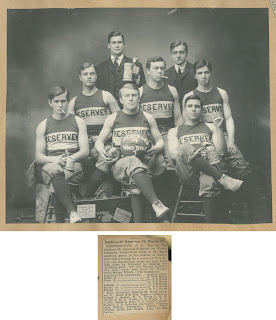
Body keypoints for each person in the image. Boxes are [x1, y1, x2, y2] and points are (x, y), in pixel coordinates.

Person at [95, 83, 170, 222]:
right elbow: (99, 141)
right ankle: (156, 203)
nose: (130, 99)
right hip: (120, 164)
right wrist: (103, 151)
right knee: (133, 162)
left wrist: (155, 148)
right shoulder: (113, 118)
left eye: (134, 95)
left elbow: (160, 141)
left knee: (136, 175)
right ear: (121, 99)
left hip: (144, 163)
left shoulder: (147, 117)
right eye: (127, 96)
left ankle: (138, 226)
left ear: (139, 98)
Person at [168, 95, 244, 223]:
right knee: (185, 147)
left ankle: (210, 228)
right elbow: (173, 153)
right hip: (186, 171)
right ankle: (223, 178)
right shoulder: (175, 130)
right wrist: (193, 155)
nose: (193, 109)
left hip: (207, 170)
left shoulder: (211, 127)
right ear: (184, 109)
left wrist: (219, 128)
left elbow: (221, 151)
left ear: (201, 110)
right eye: (190, 106)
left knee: (207, 179)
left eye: (197, 106)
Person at [183, 60, 252, 180]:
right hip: (202, 137)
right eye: (200, 73)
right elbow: (188, 124)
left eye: (206, 72)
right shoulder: (189, 96)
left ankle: (239, 197)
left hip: (222, 134)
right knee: (218, 167)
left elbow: (229, 118)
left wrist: (231, 140)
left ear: (211, 73)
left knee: (241, 166)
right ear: (195, 75)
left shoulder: (221, 93)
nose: (203, 76)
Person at [35, 86, 89, 223]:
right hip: (51, 165)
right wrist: (55, 159)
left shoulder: (78, 121)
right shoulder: (43, 125)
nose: (60, 105)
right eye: (57, 101)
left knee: (55, 185)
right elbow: (38, 157)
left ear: (68, 101)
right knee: (54, 170)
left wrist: (70, 158)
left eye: (63, 101)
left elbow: (85, 151)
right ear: (50, 102)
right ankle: (72, 212)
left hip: (74, 164)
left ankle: (60, 226)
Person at [68, 63, 120, 198]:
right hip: (84, 144)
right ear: (80, 77)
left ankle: (87, 197)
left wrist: (105, 138)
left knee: (107, 156)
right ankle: (79, 197)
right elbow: (71, 128)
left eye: (92, 74)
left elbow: (120, 121)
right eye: (85, 74)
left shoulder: (106, 96)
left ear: (96, 76)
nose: (89, 77)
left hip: (103, 141)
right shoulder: (74, 102)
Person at [96, 31, 146, 107]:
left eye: (119, 42)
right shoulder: (100, 67)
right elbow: (97, 92)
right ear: (108, 45)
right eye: (114, 43)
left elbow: (142, 89)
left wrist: (136, 77)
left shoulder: (136, 64)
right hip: (107, 108)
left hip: (129, 108)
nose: (117, 45)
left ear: (124, 44)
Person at [164, 41, 197, 107]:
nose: (178, 56)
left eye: (181, 52)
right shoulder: (166, 74)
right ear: (171, 55)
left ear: (186, 54)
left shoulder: (196, 70)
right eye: (175, 53)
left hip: (193, 111)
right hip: (173, 114)